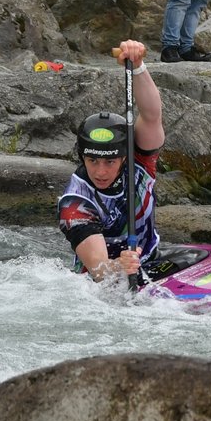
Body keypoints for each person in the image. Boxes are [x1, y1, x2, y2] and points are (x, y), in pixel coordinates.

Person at [57, 39, 165, 283]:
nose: (100, 171)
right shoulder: (75, 203)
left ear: (125, 156)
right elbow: (99, 270)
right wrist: (119, 265)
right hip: (102, 284)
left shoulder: (140, 161)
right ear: (82, 157)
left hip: (152, 259)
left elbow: (151, 115)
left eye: (110, 162)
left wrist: (137, 66)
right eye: (92, 161)